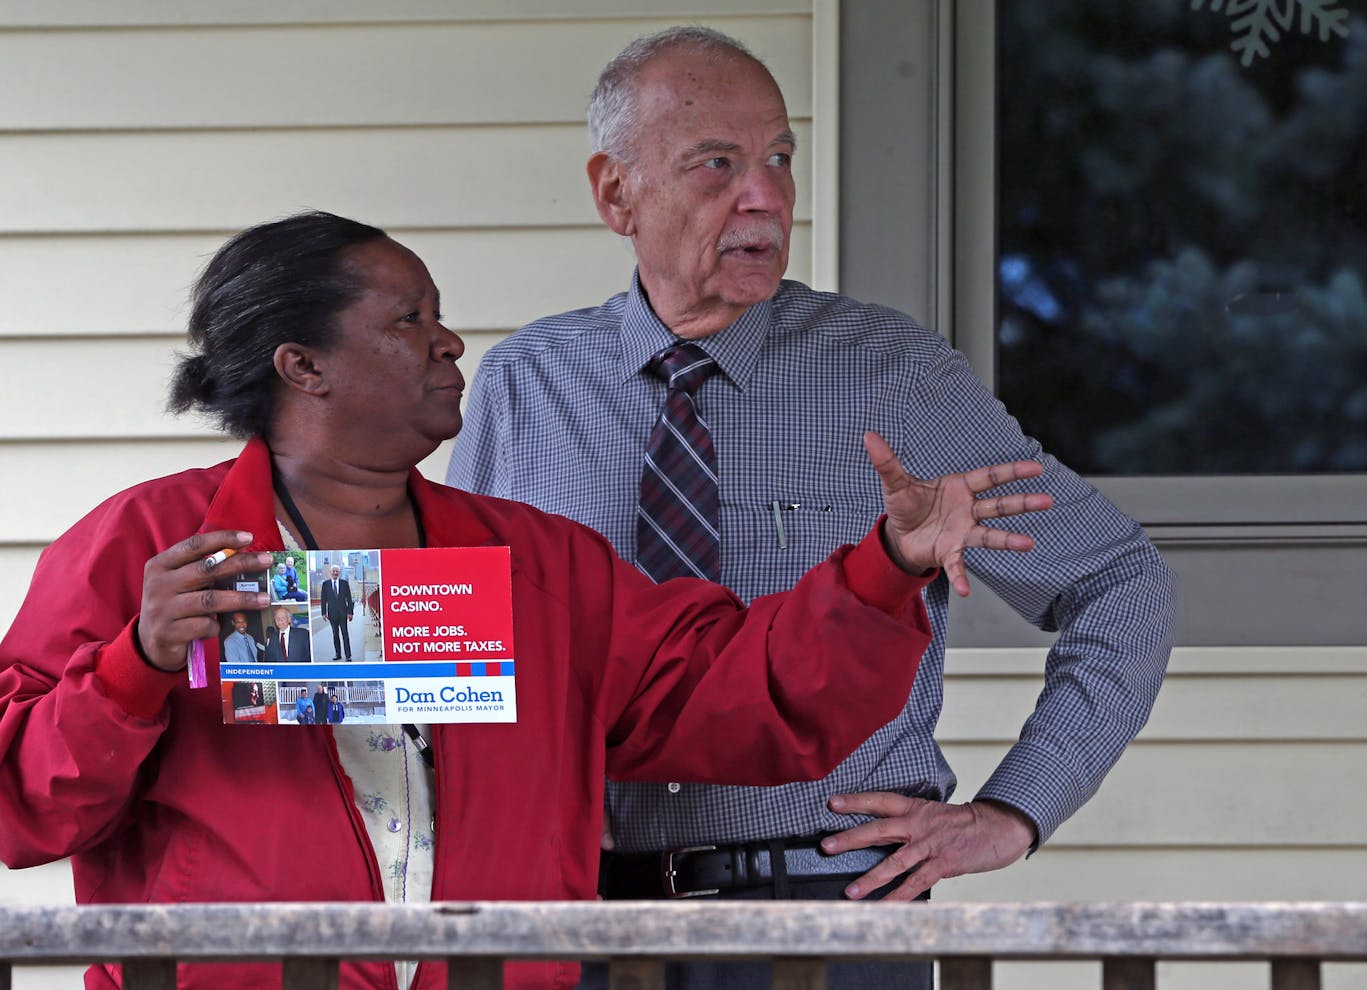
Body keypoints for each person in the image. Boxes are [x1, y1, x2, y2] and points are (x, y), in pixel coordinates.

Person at [0, 210, 1054, 990]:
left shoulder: (536, 564)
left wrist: (882, 566)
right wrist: (134, 667)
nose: (450, 342)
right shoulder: (147, 545)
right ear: (301, 366)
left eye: (441, 317)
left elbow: (735, 694)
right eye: (409, 320)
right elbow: (22, 802)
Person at [445, 26, 1177, 990]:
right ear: (616, 193)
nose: (766, 197)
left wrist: (1011, 814)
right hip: (577, 918)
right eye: (717, 164)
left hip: (828, 911)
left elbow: (1122, 584)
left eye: (780, 159)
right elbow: (457, 645)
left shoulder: (890, 376)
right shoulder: (525, 385)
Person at [320, 563, 355, 659]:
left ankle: (348, 656)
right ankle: (338, 654)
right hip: (332, 614)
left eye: (337, 571)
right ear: (330, 572)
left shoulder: (344, 583)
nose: (335, 573)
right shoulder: (325, 584)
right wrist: (323, 613)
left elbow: (349, 598)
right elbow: (323, 599)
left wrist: (350, 612)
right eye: (333, 571)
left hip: (343, 613)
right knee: (335, 635)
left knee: (345, 635)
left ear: (339, 572)